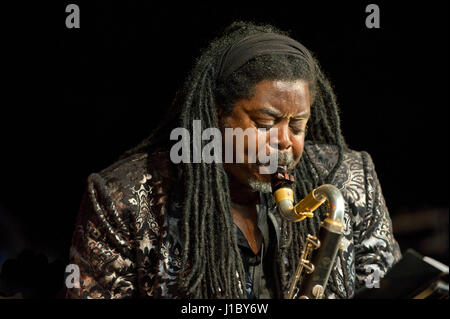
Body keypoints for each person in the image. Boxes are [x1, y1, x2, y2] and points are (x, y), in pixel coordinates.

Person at [66, 21, 401, 299]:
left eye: (297, 126)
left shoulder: (350, 180)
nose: (284, 141)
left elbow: (391, 288)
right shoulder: (123, 198)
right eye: (266, 123)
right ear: (217, 115)